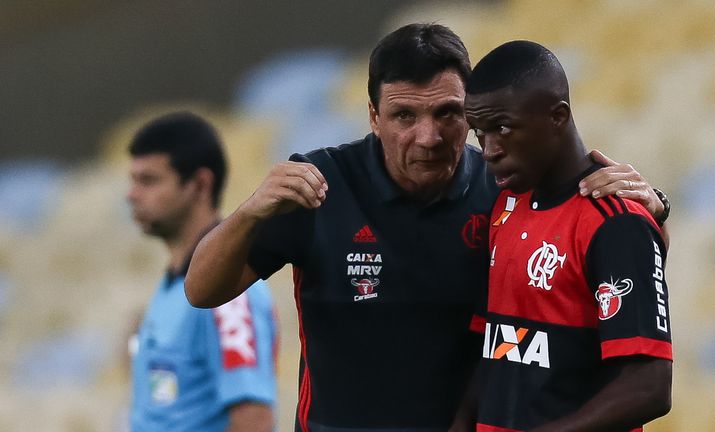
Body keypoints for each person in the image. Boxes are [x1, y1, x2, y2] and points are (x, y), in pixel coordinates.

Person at [185, 24, 667, 432]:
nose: (428, 136)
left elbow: (609, 264)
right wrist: (250, 211)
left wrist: (653, 209)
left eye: (447, 113)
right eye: (404, 115)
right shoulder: (318, 187)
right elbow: (202, 290)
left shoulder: (505, 192)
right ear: (374, 117)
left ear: (470, 110)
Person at [464, 41, 673, 432]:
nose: (489, 150)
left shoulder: (615, 222)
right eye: (480, 132)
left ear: (557, 117)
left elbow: (650, 387)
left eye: (503, 128)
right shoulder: (505, 206)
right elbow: (497, 346)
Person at [127, 112, 277, 432]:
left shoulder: (229, 290)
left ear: (200, 184)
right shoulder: (173, 281)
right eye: (133, 180)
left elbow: (254, 421)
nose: (132, 194)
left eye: (149, 180)